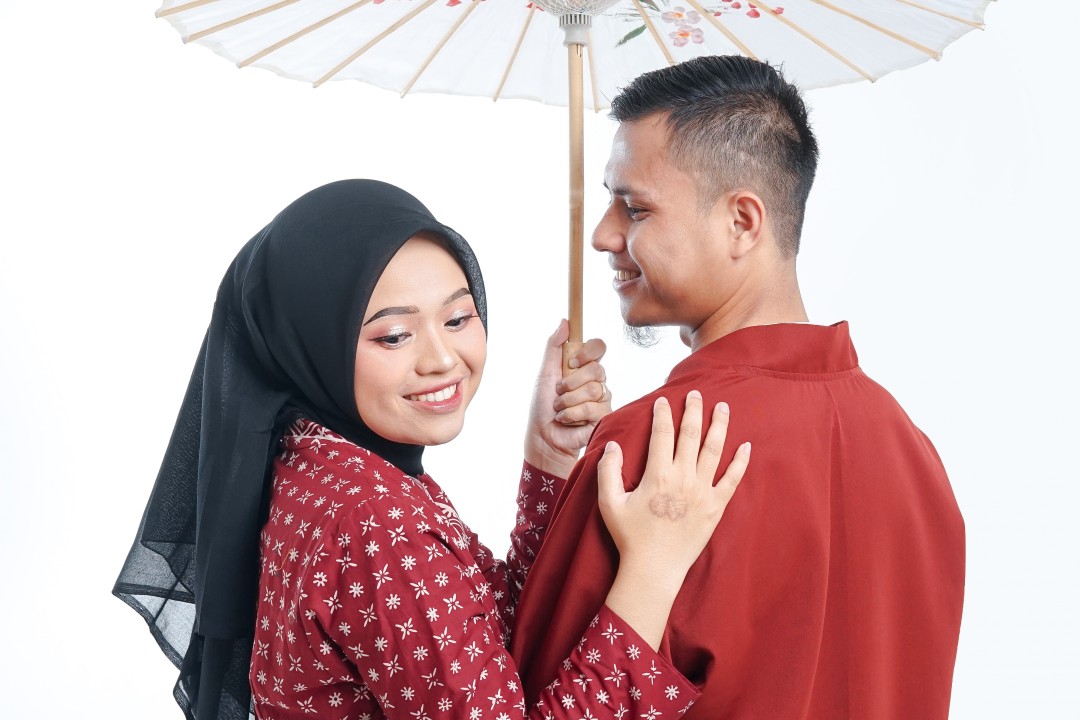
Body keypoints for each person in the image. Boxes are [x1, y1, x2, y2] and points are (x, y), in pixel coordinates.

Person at [113, 179, 752, 720]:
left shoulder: (319, 461)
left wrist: (548, 459)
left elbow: (487, 641)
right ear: (313, 344)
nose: (443, 359)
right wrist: (654, 567)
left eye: (457, 318)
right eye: (394, 336)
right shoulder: (373, 523)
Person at [511, 56, 966, 718]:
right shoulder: (914, 454)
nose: (605, 235)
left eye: (635, 208)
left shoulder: (648, 453)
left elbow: (529, 702)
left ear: (743, 223)